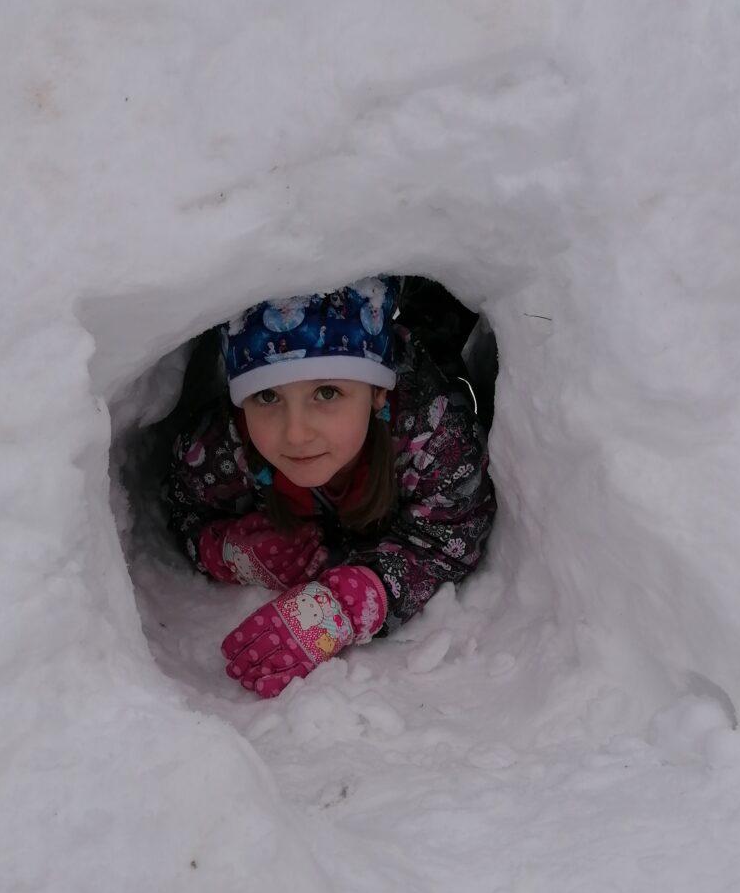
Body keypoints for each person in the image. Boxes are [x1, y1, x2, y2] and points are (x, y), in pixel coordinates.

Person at [145, 276, 496, 698]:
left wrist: (354, 599)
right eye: (268, 397)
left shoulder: (434, 438)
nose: (295, 434)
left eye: (327, 393)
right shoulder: (224, 445)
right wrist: (224, 550)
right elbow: (181, 501)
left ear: (378, 393)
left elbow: (453, 534)